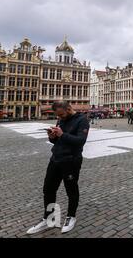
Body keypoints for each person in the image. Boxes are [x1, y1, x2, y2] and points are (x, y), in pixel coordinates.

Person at [26, 101, 90, 235]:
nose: (59, 117)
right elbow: (57, 141)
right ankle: (49, 218)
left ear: (69, 109)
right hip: (56, 158)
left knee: (71, 190)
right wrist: (52, 137)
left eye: (61, 114)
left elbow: (80, 141)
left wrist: (61, 134)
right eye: (58, 115)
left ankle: (71, 216)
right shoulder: (60, 119)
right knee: (48, 189)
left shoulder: (82, 120)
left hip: (71, 160)